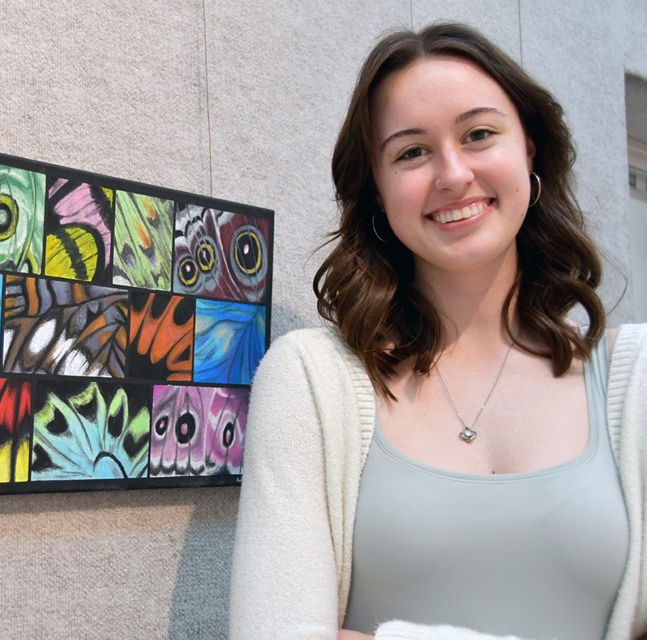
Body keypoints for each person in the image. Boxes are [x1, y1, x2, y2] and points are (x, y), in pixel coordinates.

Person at [228, 22, 647, 640]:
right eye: (411, 152)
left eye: (479, 134)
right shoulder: (311, 384)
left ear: (529, 149)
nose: (452, 174)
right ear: (377, 190)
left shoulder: (635, 382)